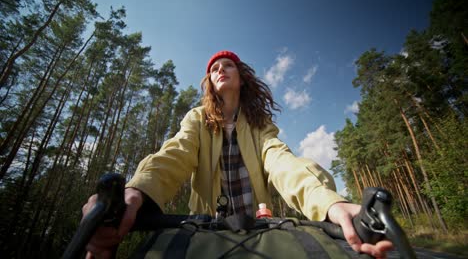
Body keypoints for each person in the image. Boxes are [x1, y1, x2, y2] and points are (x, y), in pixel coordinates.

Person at [82, 50, 393, 259]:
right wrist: (137, 191)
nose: (220, 69)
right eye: (214, 69)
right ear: (210, 83)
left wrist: (329, 203)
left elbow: (282, 162)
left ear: (241, 77)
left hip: (262, 230)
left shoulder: (260, 125)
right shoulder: (196, 119)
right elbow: (175, 153)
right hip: (203, 231)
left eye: (227, 65)